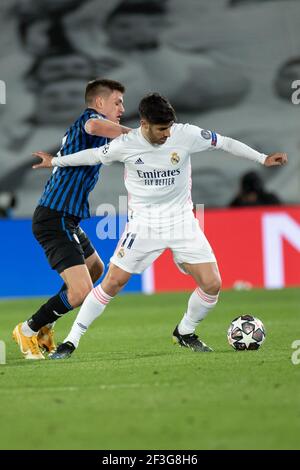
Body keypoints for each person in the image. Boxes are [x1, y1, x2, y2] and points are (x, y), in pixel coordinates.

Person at [31, 93, 287, 359]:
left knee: (212, 284)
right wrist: (55, 161)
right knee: (112, 283)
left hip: (182, 222)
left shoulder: (185, 134)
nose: (167, 134)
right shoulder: (126, 144)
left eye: (169, 128)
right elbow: (92, 155)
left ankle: (185, 331)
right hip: (144, 226)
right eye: (161, 129)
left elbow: (224, 143)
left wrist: (263, 158)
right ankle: (71, 342)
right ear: (144, 124)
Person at [13, 78, 131, 360]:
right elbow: (94, 126)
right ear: (99, 103)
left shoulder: (92, 132)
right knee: (80, 292)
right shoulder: (90, 120)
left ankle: (46, 324)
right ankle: (28, 329)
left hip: (68, 219)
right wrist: (141, 135)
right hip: (54, 217)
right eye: (118, 102)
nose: (122, 108)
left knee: (95, 268)